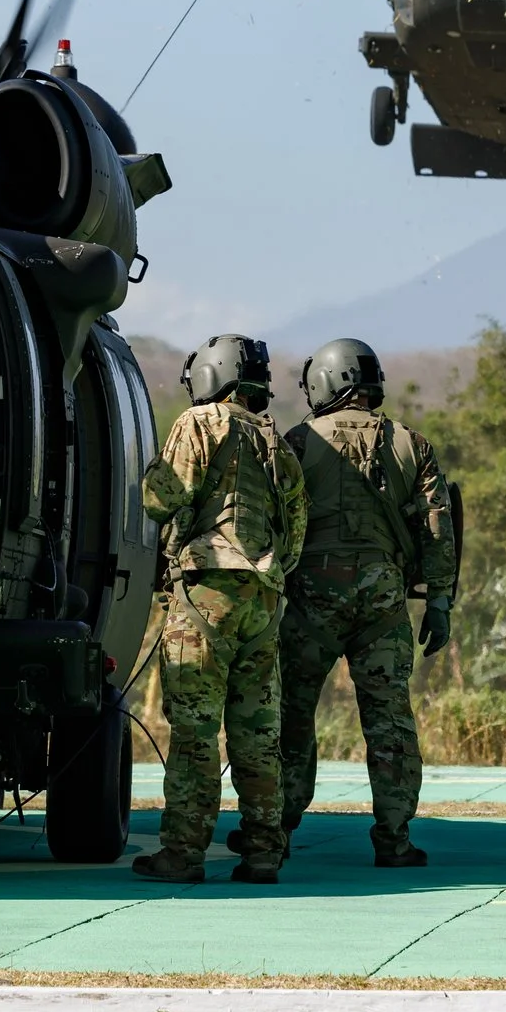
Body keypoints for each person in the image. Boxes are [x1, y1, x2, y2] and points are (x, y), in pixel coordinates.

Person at [264, 338, 457, 868]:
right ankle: (394, 838)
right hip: (384, 606)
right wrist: (439, 602)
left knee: (292, 717)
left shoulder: (298, 442)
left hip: (310, 603)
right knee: (389, 719)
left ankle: (276, 831)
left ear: (324, 381)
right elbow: (437, 529)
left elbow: (272, 522)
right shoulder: (411, 444)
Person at [134, 333, 305, 884]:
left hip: (207, 593)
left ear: (213, 373)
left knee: (195, 731)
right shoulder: (278, 441)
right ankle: (262, 852)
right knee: (258, 737)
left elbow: (161, 497)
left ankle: (183, 853)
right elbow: (296, 533)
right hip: (266, 598)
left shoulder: (200, 422)